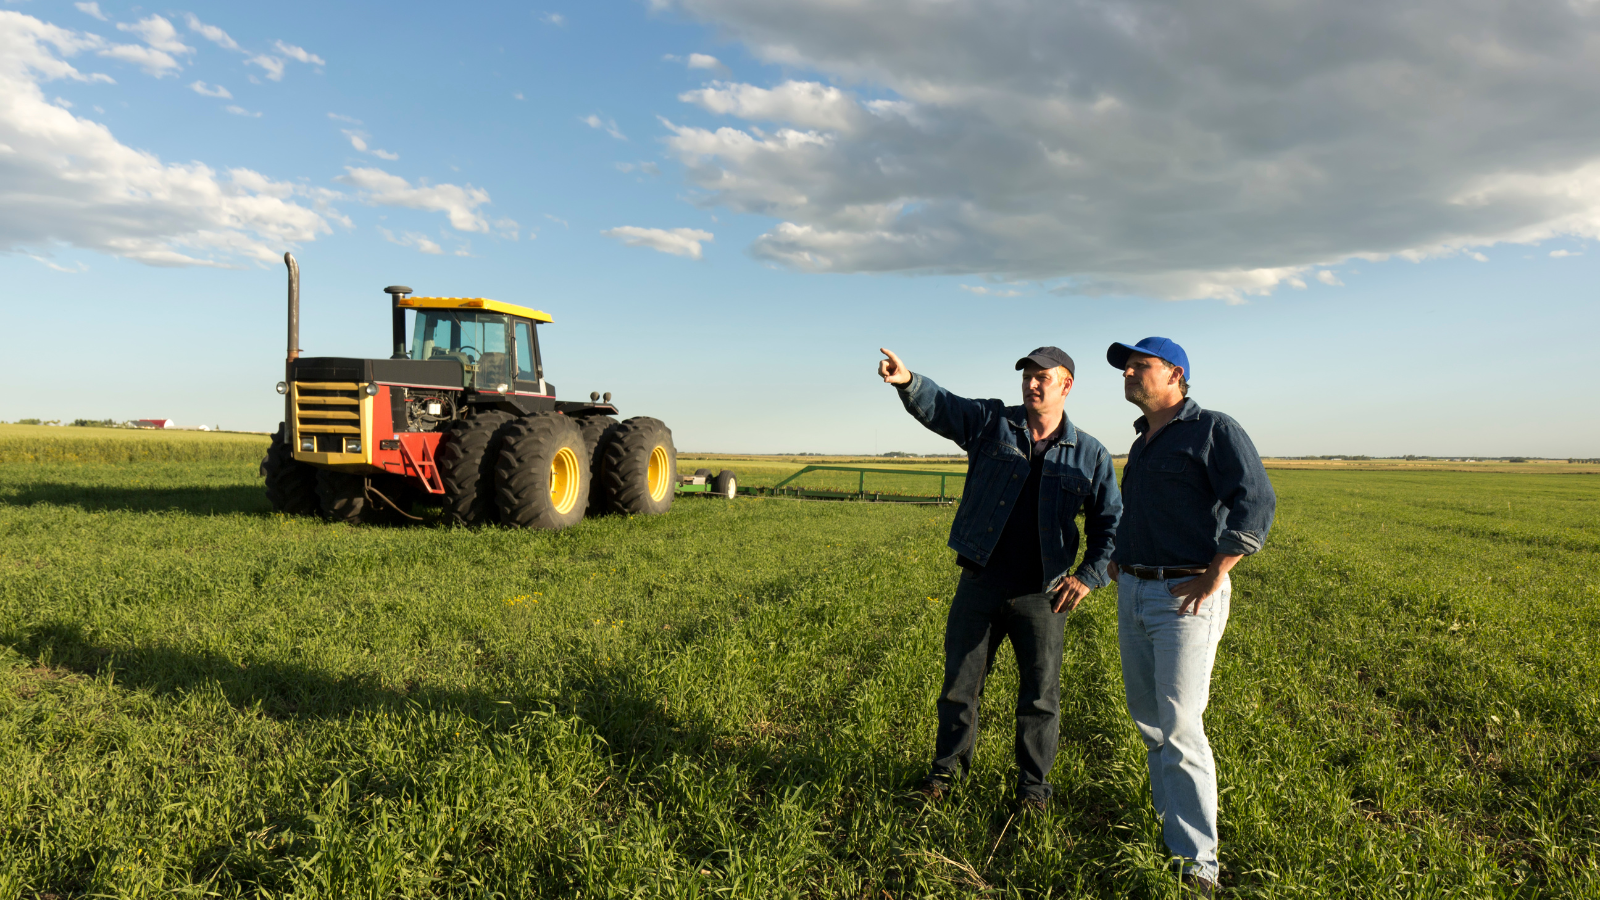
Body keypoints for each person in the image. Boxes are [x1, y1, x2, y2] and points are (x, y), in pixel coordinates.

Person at [877, 345, 1122, 811]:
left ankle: (1033, 791)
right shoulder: (994, 425)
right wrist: (909, 382)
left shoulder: (1090, 454)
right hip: (981, 583)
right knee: (959, 688)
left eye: (1042, 377)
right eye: (1027, 376)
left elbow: (1111, 525)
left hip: (1043, 595)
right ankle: (945, 777)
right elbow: (946, 409)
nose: (1031, 384)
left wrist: (1089, 577)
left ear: (1066, 385)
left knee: (1040, 698)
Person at [1105, 337, 1276, 897]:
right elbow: (1143, 510)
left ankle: (1197, 864)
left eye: (1140, 366)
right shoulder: (1145, 440)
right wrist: (1121, 563)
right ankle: (1171, 828)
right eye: (1126, 367)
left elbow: (1255, 501)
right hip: (1135, 590)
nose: (1129, 373)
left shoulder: (1213, 429)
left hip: (1186, 595)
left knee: (1180, 726)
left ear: (1175, 374)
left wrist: (1216, 572)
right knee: (1150, 720)